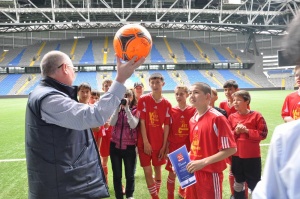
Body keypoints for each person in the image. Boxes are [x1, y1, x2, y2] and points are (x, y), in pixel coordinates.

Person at [25, 50, 145, 199]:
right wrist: (120, 79)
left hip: (62, 183)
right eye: (73, 67)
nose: (74, 71)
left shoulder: (47, 94)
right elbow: (94, 116)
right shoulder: (49, 99)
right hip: (59, 188)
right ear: (65, 68)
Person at [186, 82, 236, 199]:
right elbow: (196, 146)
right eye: (190, 93)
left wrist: (203, 163)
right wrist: (183, 161)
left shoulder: (217, 118)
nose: (191, 96)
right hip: (193, 172)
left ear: (208, 97)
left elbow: (231, 149)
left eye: (196, 92)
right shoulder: (192, 119)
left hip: (210, 174)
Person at [137, 73, 172, 199]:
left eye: (157, 82)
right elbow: (142, 121)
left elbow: (167, 125)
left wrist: (164, 145)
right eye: (152, 82)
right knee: (147, 171)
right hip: (143, 142)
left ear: (163, 84)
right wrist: (146, 142)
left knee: (158, 170)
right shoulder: (143, 99)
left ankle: (154, 194)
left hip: (159, 142)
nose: (154, 85)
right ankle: (155, 197)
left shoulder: (167, 104)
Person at [227, 90, 268, 199]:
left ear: (247, 101)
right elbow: (227, 136)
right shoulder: (231, 117)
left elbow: (263, 134)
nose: (235, 102)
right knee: (238, 182)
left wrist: (247, 131)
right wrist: (235, 132)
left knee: (254, 184)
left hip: (252, 157)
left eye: (238, 100)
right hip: (236, 156)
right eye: (234, 100)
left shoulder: (256, 115)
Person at [251, 120, 300, 199]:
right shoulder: (286, 135)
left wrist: (247, 131)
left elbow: (262, 134)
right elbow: (270, 192)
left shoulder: (286, 135)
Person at [165, 86, 196, 199]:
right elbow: (168, 129)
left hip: (188, 147)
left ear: (187, 95)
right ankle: (170, 196)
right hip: (174, 147)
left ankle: (185, 193)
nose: (178, 96)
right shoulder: (172, 111)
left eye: (181, 94)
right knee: (172, 173)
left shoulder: (193, 110)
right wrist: (166, 146)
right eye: (177, 94)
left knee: (188, 173)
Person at [109, 89, 139, 199]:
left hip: (129, 147)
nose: (126, 98)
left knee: (129, 175)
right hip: (115, 146)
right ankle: (118, 196)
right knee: (117, 176)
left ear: (133, 97)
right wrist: (117, 108)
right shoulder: (116, 109)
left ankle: (130, 195)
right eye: (124, 95)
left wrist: (127, 109)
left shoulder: (136, 109)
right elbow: (112, 123)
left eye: (129, 96)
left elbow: (133, 125)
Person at [100, 79, 114, 185]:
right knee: (104, 159)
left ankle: (118, 183)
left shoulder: (117, 101)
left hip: (115, 134)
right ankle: (105, 181)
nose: (108, 87)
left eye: (110, 86)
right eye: (106, 86)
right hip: (104, 134)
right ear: (102, 88)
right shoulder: (100, 102)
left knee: (116, 161)